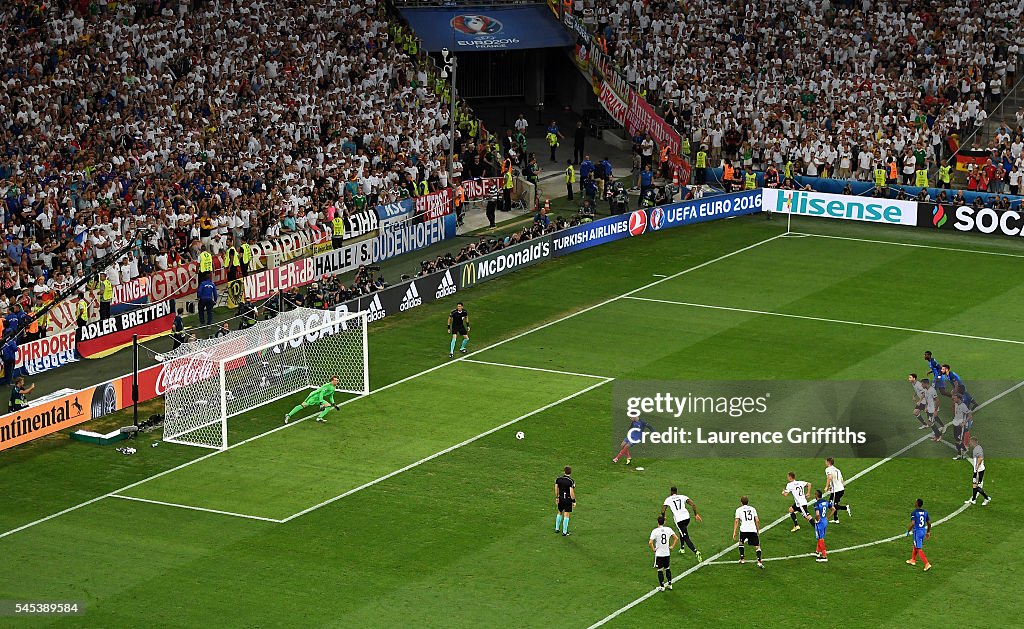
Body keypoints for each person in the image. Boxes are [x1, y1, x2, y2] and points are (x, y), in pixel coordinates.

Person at [661, 486, 703, 560]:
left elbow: (663, 510)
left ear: (671, 492)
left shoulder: (668, 499)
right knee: (682, 532)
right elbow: (693, 504)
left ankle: (696, 552)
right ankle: (682, 548)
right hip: (687, 518)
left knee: (685, 537)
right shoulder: (682, 496)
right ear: (676, 492)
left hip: (679, 520)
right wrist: (696, 514)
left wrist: (663, 517)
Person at [732, 496, 764, 569]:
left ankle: (742, 559)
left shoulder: (738, 510)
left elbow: (736, 521)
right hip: (752, 529)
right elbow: (757, 520)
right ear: (748, 502)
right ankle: (759, 561)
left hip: (743, 529)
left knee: (741, 542)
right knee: (757, 545)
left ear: (741, 503)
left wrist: (734, 532)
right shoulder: (753, 509)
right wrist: (758, 530)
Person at [649, 515, 678, 591]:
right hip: (667, 553)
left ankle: (662, 586)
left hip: (659, 554)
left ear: (657, 522)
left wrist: (654, 549)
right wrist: (672, 546)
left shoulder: (655, 531)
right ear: (664, 522)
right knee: (667, 568)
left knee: (660, 570)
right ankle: (670, 584)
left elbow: (650, 542)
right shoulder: (668, 529)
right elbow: (676, 538)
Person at [905, 498, 932, 571]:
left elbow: (913, 523)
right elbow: (929, 523)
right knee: (916, 545)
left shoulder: (914, 512)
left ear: (917, 504)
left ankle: (927, 563)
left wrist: (908, 531)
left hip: (917, 532)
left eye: (915, 502)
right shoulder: (925, 512)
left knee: (919, 548)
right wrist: (928, 532)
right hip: (923, 531)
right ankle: (913, 560)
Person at [823, 457, 851, 522]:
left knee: (831, 505)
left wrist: (826, 486)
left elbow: (829, 477)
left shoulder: (828, 469)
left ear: (828, 462)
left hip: (836, 490)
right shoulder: (837, 470)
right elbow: (842, 480)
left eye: (826, 461)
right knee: (834, 503)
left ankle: (845, 507)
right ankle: (836, 519)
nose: (825, 463)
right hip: (840, 489)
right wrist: (832, 486)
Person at [966, 437, 991, 505]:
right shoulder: (976, 448)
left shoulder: (977, 449)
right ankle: (973, 500)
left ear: (973, 442)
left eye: (970, 442)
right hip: (977, 470)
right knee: (974, 485)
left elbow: (980, 458)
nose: (969, 443)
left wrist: (977, 469)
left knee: (977, 486)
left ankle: (986, 498)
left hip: (979, 471)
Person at [811, 489, 835, 562]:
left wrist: (817, 520)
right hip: (825, 521)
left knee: (820, 538)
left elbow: (817, 514)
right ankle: (817, 552)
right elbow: (833, 509)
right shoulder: (826, 502)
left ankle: (824, 556)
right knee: (821, 537)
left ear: (816, 495)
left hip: (820, 523)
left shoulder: (817, 504)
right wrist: (827, 517)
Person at [554, 466, 575, 537]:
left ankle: (557, 528)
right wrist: (574, 501)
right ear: (570, 472)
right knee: (566, 514)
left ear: (564, 471)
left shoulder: (558, 479)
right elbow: (571, 492)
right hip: (568, 499)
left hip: (561, 498)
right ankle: (564, 532)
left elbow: (556, 488)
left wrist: (557, 497)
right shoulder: (571, 481)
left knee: (559, 512)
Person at [950, 394, 971, 460]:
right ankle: (964, 449)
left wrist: (964, 423)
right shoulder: (956, 404)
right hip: (955, 422)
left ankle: (959, 455)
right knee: (956, 438)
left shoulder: (963, 406)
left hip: (960, 424)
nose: (954, 399)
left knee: (958, 440)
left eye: (955, 398)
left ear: (959, 399)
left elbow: (969, 415)